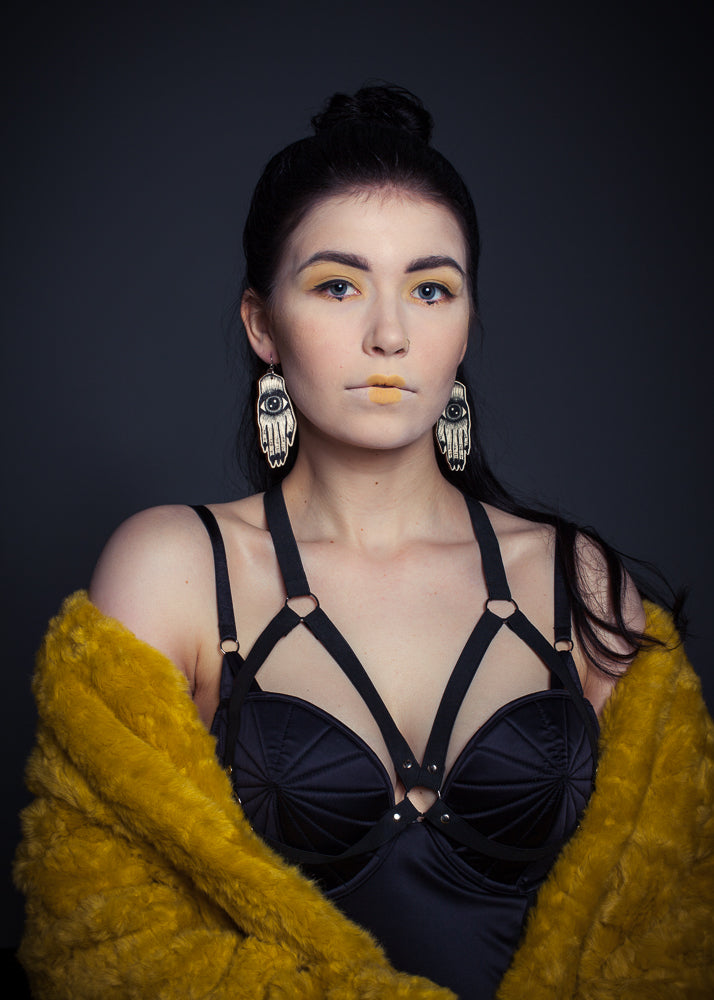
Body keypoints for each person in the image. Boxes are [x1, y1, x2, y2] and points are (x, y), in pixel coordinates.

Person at [14, 85, 714, 999]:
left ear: (464, 326)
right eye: (338, 286)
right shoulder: (174, 569)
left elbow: (669, 925)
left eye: (431, 289)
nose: (390, 335)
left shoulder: (575, 581)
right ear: (262, 324)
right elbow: (99, 935)